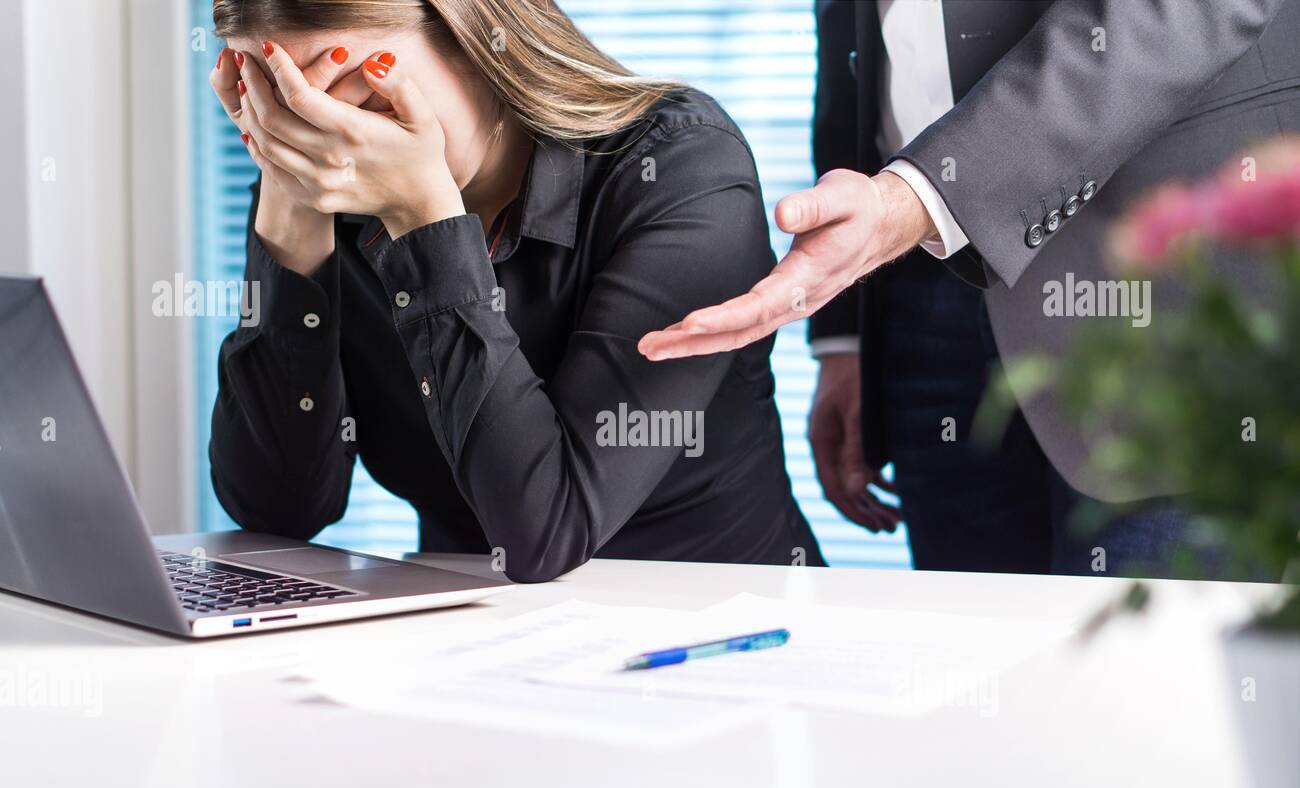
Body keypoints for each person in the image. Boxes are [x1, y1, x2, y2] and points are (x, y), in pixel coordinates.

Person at [640, 0, 1300, 579]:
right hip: (918, 279)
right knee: (977, 684)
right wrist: (843, 337)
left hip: (1156, 274)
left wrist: (917, 200)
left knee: (1147, 697)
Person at [206, 0, 823, 583]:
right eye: (284, 114)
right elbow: (278, 513)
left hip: (720, 630)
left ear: (475, 37)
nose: (334, 148)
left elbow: (543, 534)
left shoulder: (680, 166)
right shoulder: (322, 192)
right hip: (470, 646)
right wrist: (288, 207)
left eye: (360, 100)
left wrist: (425, 221)